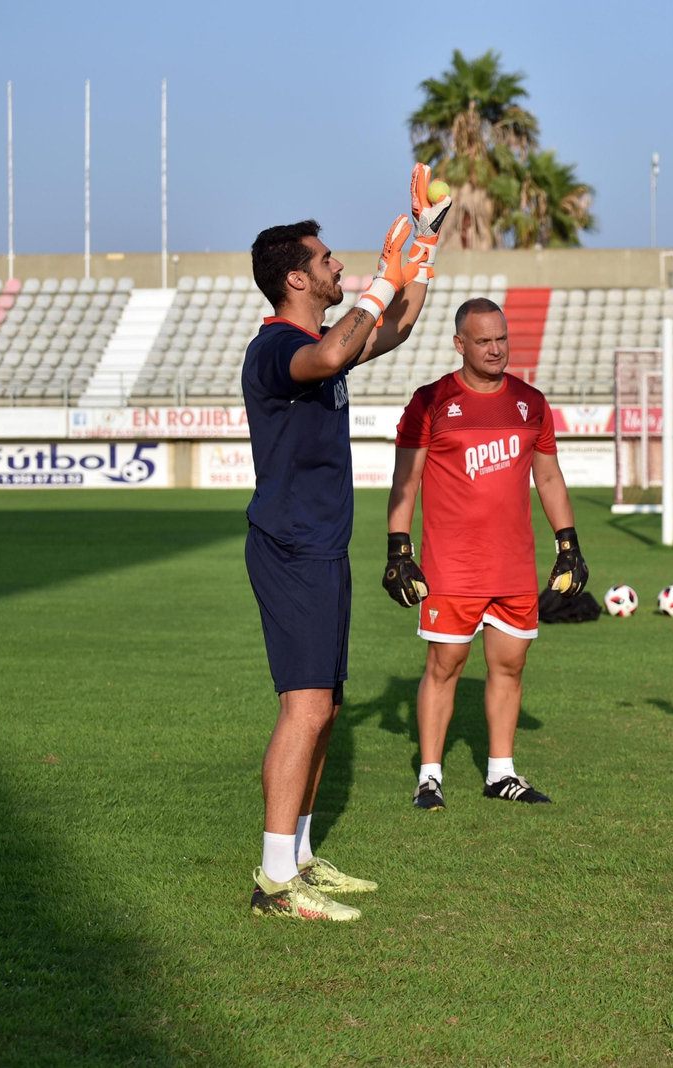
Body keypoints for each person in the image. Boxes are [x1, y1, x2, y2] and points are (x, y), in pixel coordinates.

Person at [244, 165, 451, 921]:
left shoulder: (322, 337)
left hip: (322, 547)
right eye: (328, 260)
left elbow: (395, 329)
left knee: (326, 707)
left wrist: (421, 246)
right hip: (292, 548)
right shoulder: (277, 350)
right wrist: (379, 282)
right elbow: (333, 355)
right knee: (302, 709)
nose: (340, 265)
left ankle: (299, 854)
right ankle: (273, 882)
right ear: (297, 278)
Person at [384, 297, 589, 812]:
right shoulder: (430, 401)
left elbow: (547, 476)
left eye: (501, 338)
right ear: (460, 344)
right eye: (483, 341)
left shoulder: (530, 402)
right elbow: (405, 482)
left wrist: (568, 544)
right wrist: (399, 548)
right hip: (452, 567)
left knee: (510, 666)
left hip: (514, 565)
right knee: (445, 664)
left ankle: (501, 772)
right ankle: (429, 777)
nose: (496, 349)